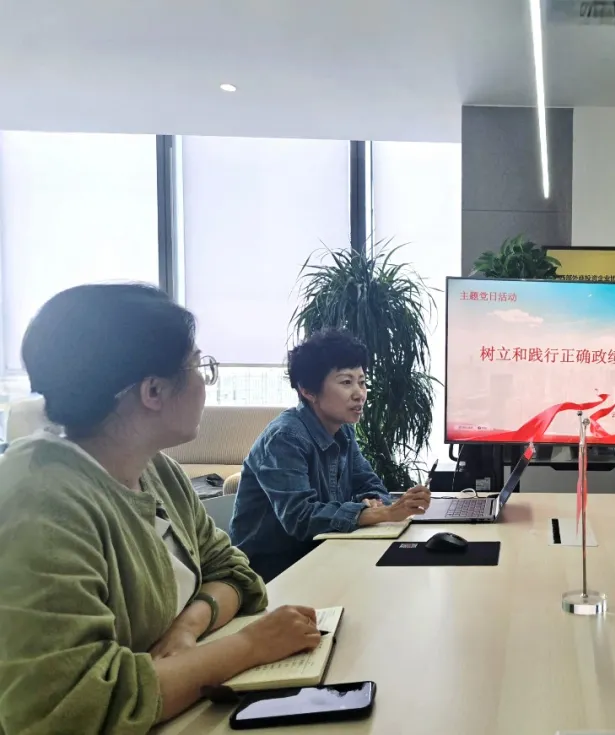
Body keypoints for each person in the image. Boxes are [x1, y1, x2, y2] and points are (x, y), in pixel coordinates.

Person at [0, 284, 323, 733]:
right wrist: (249, 646)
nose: (205, 382)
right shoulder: (39, 500)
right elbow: (70, 707)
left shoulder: (156, 469)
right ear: (153, 390)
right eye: (199, 366)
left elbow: (233, 573)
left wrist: (186, 628)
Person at [231, 328, 431, 581]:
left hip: (323, 554)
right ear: (308, 390)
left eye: (362, 382)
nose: (359, 393)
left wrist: (374, 502)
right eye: (346, 382)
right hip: (271, 573)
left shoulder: (343, 431)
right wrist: (380, 513)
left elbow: (370, 485)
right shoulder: (285, 438)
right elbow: (300, 517)